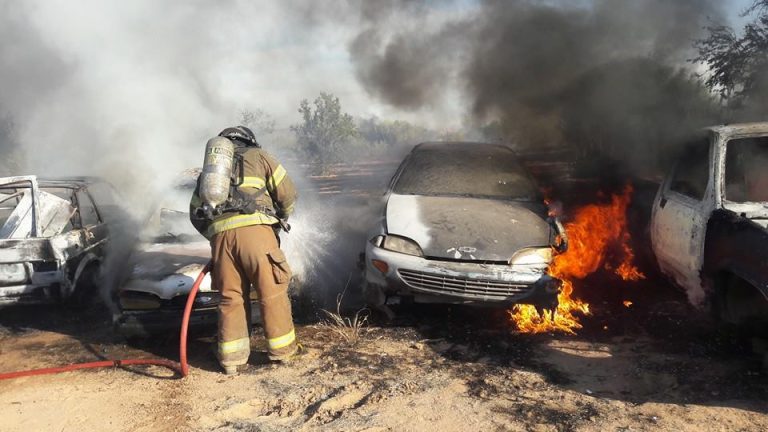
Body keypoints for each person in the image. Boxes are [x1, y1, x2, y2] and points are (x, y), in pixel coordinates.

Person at [189, 125, 299, 374]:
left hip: (222, 241)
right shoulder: (260, 157)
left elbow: (195, 214)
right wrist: (280, 218)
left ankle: (231, 360)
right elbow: (288, 193)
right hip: (257, 233)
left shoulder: (208, 174)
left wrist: (216, 236)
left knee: (231, 298)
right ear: (250, 141)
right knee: (271, 291)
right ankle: (282, 353)